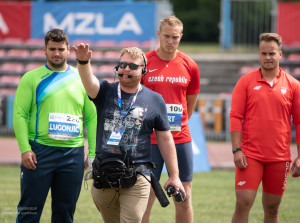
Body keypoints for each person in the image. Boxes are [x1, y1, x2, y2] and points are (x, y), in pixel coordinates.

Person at [73, 44, 186, 223]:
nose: (126, 69)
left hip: (137, 177)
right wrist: (83, 61)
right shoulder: (105, 90)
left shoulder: (155, 100)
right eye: (123, 65)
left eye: (133, 66)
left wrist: (174, 176)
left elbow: (165, 138)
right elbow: (89, 83)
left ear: (144, 70)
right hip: (104, 175)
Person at [13, 28, 97, 223]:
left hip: (72, 155)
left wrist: (92, 153)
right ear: (44, 49)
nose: (57, 53)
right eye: (52, 49)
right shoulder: (31, 78)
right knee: (29, 212)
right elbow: (19, 115)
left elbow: (92, 117)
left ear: (69, 50)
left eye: (61, 49)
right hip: (39, 153)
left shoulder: (82, 78)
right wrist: (25, 149)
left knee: (65, 214)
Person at [230, 33, 300, 223]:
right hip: (250, 155)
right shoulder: (245, 82)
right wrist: (237, 150)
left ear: (280, 54)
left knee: (272, 208)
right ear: (259, 54)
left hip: (279, 158)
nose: (268, 57)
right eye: (264, 53)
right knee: (243, 204)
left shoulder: (294, 85)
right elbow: (236, 116)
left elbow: (299, 122)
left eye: (272, 53)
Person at [141, 15, 200, 223]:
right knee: (144, 198)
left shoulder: (190, 65)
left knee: (183, 197)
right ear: (159, 34)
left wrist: (175, 125)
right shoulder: (145, 62)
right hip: (149, 141)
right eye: (166, 36)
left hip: (180, 139)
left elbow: (190, 103)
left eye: (175, 37)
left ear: (181, 37)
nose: (170, 41)